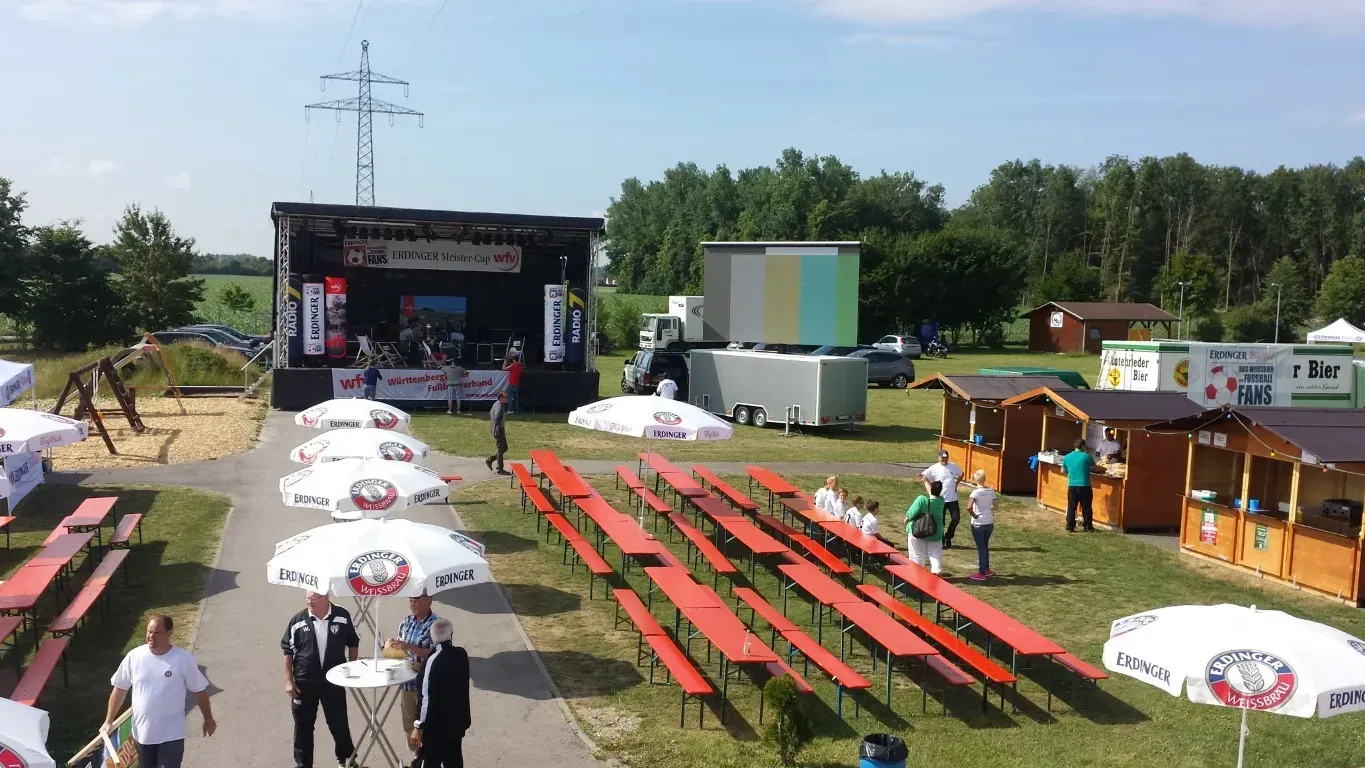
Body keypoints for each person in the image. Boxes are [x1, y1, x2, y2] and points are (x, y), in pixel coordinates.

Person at [103, 615, 215, 768]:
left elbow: (199, 692)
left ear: (169, 633)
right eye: (149, 632)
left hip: (171, 735)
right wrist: (109, 721)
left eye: (156, 633)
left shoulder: (183, 659)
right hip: (142, 735)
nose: (151, 636)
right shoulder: (134, 657)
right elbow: (120, 689)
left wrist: (208, 719)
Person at [282, 591, 360, 768]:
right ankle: (303, 764)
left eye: (313, 598)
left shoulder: (342, 616)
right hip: (304, 683)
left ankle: (347, 759)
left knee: (339, 722)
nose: (309, 602)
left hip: (334, 680)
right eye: (307, 598)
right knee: (303, 727)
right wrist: (288, 680)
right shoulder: (298, 621)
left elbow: (353, 641)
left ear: (326, 597)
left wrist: (352, 666)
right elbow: (288, 650)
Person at [408, 619, 470, 768]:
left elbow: (426, 698)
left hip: (436, 727)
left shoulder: (433, 661)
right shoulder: (461, 654)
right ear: (451, 634)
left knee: (430, 761)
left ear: (432, 636)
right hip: (457, 723)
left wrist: (418, 726)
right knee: (454, 761)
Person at [386, 593, 440, 760]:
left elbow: (436, 653)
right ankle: (419, 759)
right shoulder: (406, 622)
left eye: (417, 601)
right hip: (407, 684)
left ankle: (429, 760)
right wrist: (391, 645)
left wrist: (409, 646)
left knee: (427, 727)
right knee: (410, 726)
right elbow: (401, 649)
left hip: (426, 685)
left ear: (428, 602)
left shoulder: (436, 624)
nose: (413, 605)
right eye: (411, 601)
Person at [920, 451, 964, 548]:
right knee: (941, 521)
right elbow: (923, 476)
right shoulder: (934, 468)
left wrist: (956, 484)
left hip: (952, 499)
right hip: (941, 500)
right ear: (939, 458)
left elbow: (961, 474)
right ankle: (942, 539)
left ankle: (949, 536)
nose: (945, 460)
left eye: (946, 458)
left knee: (956, 519)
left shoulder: (953, 466)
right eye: (943, 458)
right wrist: (926, 482)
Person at [906, 481, 946, 575]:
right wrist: (925, 480)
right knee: (935, 553)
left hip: (918, 531)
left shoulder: (921, 500)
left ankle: (917, 573)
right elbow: (933, 494)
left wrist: (907, 518)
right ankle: (936, 571)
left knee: (917, 554)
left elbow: (911, 513)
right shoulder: (941, 501)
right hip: (935, 532)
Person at [967, 469, 997, 581]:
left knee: (981, 548)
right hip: (989, 522)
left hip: (978, 523)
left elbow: (969, 507)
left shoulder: (975, 493)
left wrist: (974, 516)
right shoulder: (991, 491)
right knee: (985, 545)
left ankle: (982, 572)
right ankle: (986, 568)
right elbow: (995, 506)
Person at [1063, 438, 1097, 532]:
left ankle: (1070, 527)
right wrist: (1104, 469)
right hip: (1085, 485)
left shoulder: (1067, 457)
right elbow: (1095, 468)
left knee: (1071, 507)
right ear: (1082, 446)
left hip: (1072, 485)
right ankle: (1088, 527)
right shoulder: (1086, 456)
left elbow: (1063, 470)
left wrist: (1071, 474)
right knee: (1086, 507)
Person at [485, 391, 510, 476]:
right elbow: (496, 418)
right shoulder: (499, 406)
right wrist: (498, 427)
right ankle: (499, 469)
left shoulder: (496, 404)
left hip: (496, 429)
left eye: (507, 397)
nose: (507, 399)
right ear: (500, 398)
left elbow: (490, 413)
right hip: (498, 430)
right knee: (500, 449)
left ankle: (490, 459)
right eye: (505, 397)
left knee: (504, 448)